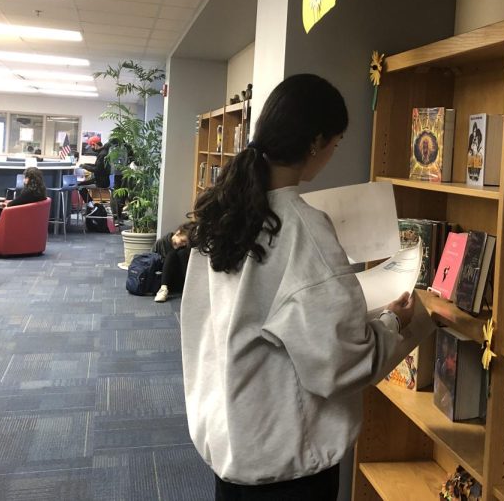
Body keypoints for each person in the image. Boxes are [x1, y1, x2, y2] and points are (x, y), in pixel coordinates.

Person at [180, 74, 435, 499]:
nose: (333, 154)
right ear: (315, 142)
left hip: (233, 437)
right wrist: (397, 322)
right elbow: (339, 365)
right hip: (285, 466)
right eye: (335, 143)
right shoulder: (304, 230)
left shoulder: (224, 213)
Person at [0, 167, 47, 255]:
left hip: (13, 217)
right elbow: (20, 203)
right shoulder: (40, 191)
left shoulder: (28, 192)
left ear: (29, 179)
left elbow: (14, 204)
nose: (24, 179)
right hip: (22, 216)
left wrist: (6, 205)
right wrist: (6, 204)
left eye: (25, 177)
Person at [152, 228, 190, 302]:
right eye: (182, 241)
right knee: (171, 254)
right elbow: (153, 260)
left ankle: (188, 288)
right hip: (164, 278)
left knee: (180, 253)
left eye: (185, 243)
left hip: (181, 280)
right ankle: (163, 289)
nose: (183, 244)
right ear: (178, 233)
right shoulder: (161, 242)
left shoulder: (185, 248)